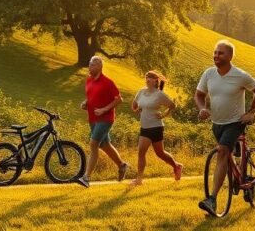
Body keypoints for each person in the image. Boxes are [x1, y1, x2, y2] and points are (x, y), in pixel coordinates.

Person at [195, 41, 255, 216]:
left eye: (221, 53)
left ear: (230, 56)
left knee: (222, 152)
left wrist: (251, 112)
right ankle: (239, 177)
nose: (216, 56)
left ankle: (212, 199)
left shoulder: (240, 75)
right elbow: (199, 95)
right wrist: (202, 108)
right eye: (215, 52)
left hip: (235, 123)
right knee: (225, 157)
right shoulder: (209, 74)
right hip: (216, 124)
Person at [77, 56, 129, 188]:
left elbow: (119, 99)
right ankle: (122, 165)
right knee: (105, 145)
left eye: (93, 65)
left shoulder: (108, 82)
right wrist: (85, 103)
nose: (90, 67)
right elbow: (90, 97)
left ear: (100, 67)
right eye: (90, 64)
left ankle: (86, 177)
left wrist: (104, 110)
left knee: (93, 144)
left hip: (105, 119)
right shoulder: (88, 80)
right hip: (93, 119)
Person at [130, 70, 182, 185]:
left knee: (160, 153)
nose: (147, 79)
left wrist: (163, 114)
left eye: (150, 78)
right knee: (141, 152)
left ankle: (176, 166)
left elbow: (172, 105)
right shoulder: (141, 92)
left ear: (155, 81)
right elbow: (134, 105)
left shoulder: (160, 94)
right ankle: (139, 179)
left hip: (156, 127)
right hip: (144, 127)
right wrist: (136, 109)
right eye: (146, 77)